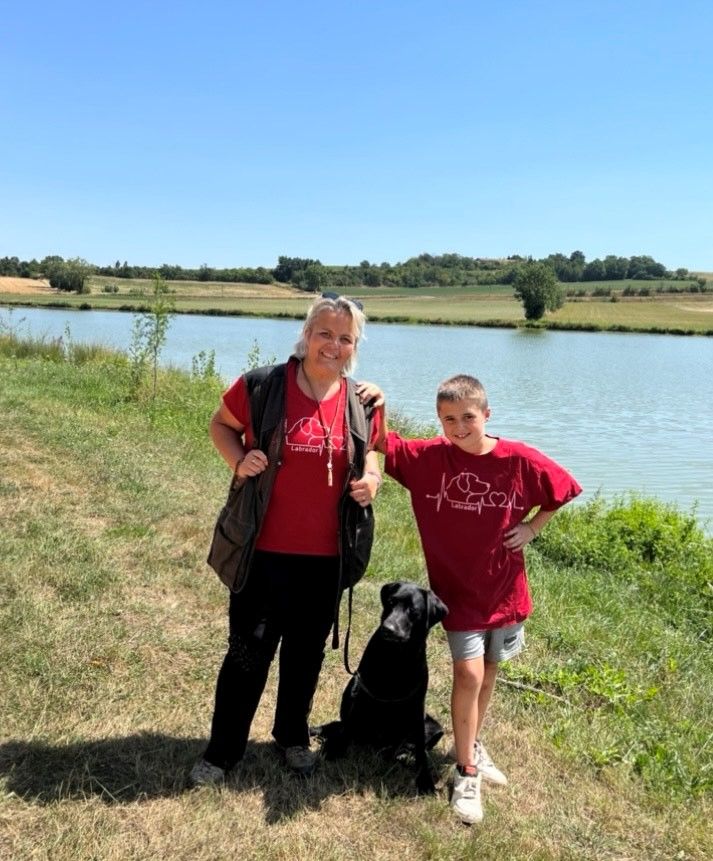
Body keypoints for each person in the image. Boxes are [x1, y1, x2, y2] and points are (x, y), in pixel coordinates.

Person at [190, 294, 383, 785]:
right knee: (247, 654)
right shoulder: (262, 386)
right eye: (325, 334)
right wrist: (238, 459)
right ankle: (222, 751)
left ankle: (292, 736)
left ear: (354, 346)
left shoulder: (362, 401)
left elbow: (374, 451)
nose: (333, 346)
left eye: (345, 338)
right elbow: (220, 425)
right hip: (262, 551)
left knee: (305, 654)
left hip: (326, 558)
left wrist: (373, 478)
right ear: (306, 334)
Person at [375, 374, 581, 824]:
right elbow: (378, 439)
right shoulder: (429, 458)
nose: (459, 427)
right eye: (448, 419)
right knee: (467, 673)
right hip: (458, 595)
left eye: (468, 417)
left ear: (487, 414)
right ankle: (466, 773)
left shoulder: (518, 459)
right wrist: (379, 399)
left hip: (504, 592)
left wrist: (532, 527)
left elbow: (563, 489)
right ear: (439, 420)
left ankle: (472, 741)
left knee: (488, 673)